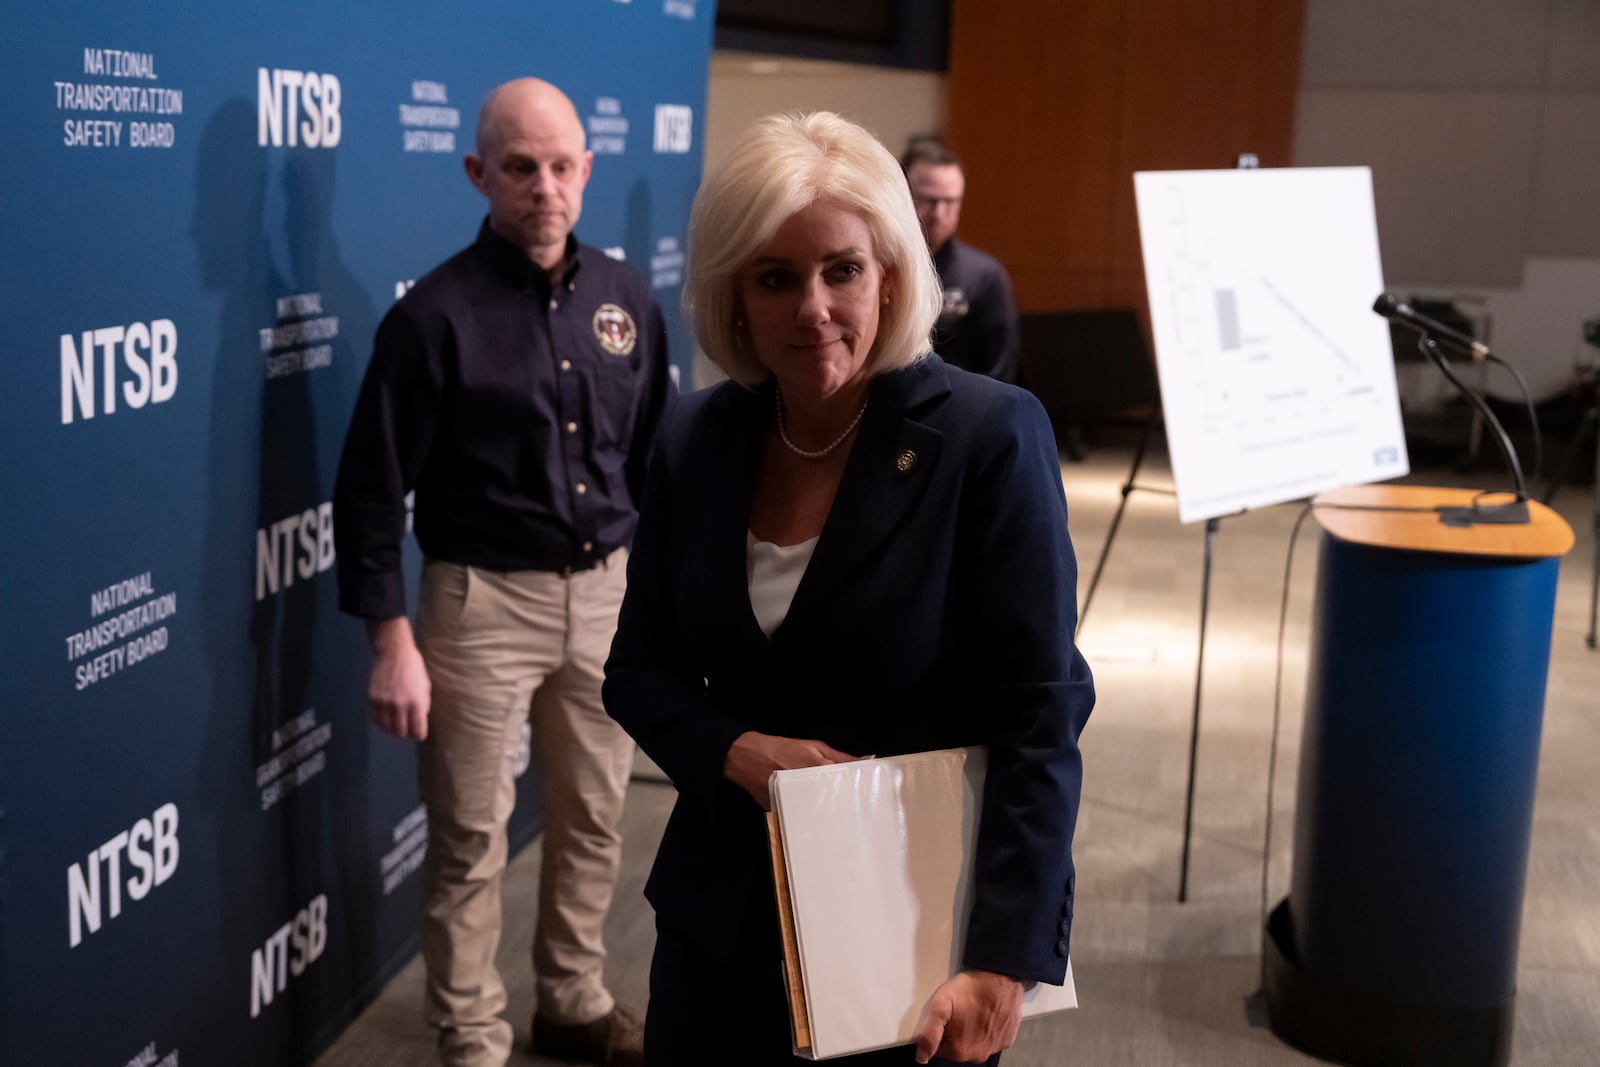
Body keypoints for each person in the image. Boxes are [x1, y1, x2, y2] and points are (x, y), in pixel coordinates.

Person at [604, 112, 1094, 1066]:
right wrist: (734, 748)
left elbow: (1039, 718)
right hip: (718, 928)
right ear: (732, 296)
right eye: (775, 278)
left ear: (893, 276)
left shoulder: (989, 437)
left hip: (909, 942)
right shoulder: (694, 440)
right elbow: (637, 669)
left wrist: (1005, 956)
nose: (812, 309)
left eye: (843, 270)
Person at [333, 77, 673, 1067]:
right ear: (478, 173)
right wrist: (389, 637)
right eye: (520, 168)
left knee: (595, 817)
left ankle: (570, 1000)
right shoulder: (432, 317)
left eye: (562, 165)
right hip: (478, 604)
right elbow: (369, 488)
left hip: (606, 596)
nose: (545, 187)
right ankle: (472, 1035)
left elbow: (653, 463)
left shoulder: (626, 298)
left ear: (587, 168)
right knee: (470, 841)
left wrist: (662, 603)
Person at [901, 138, 1021, 385]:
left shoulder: (984, 276)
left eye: (950, 201)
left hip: (956, 412)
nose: (939, 214)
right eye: (929, 200)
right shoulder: (877, 264)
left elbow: (999, 375)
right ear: (902, 194)